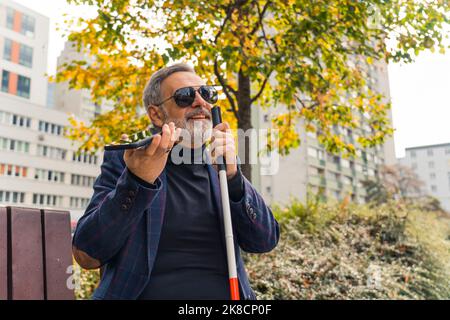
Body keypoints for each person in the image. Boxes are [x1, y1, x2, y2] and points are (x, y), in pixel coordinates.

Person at [72, 63, 280, 300]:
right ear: (156, 114)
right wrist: (136, 182)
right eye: (185, 96)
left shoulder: (221, 162)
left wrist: (234, 177)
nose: (200, 102)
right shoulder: (130, 160)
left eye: (207, 93)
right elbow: (87, 253)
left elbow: (265, 241)